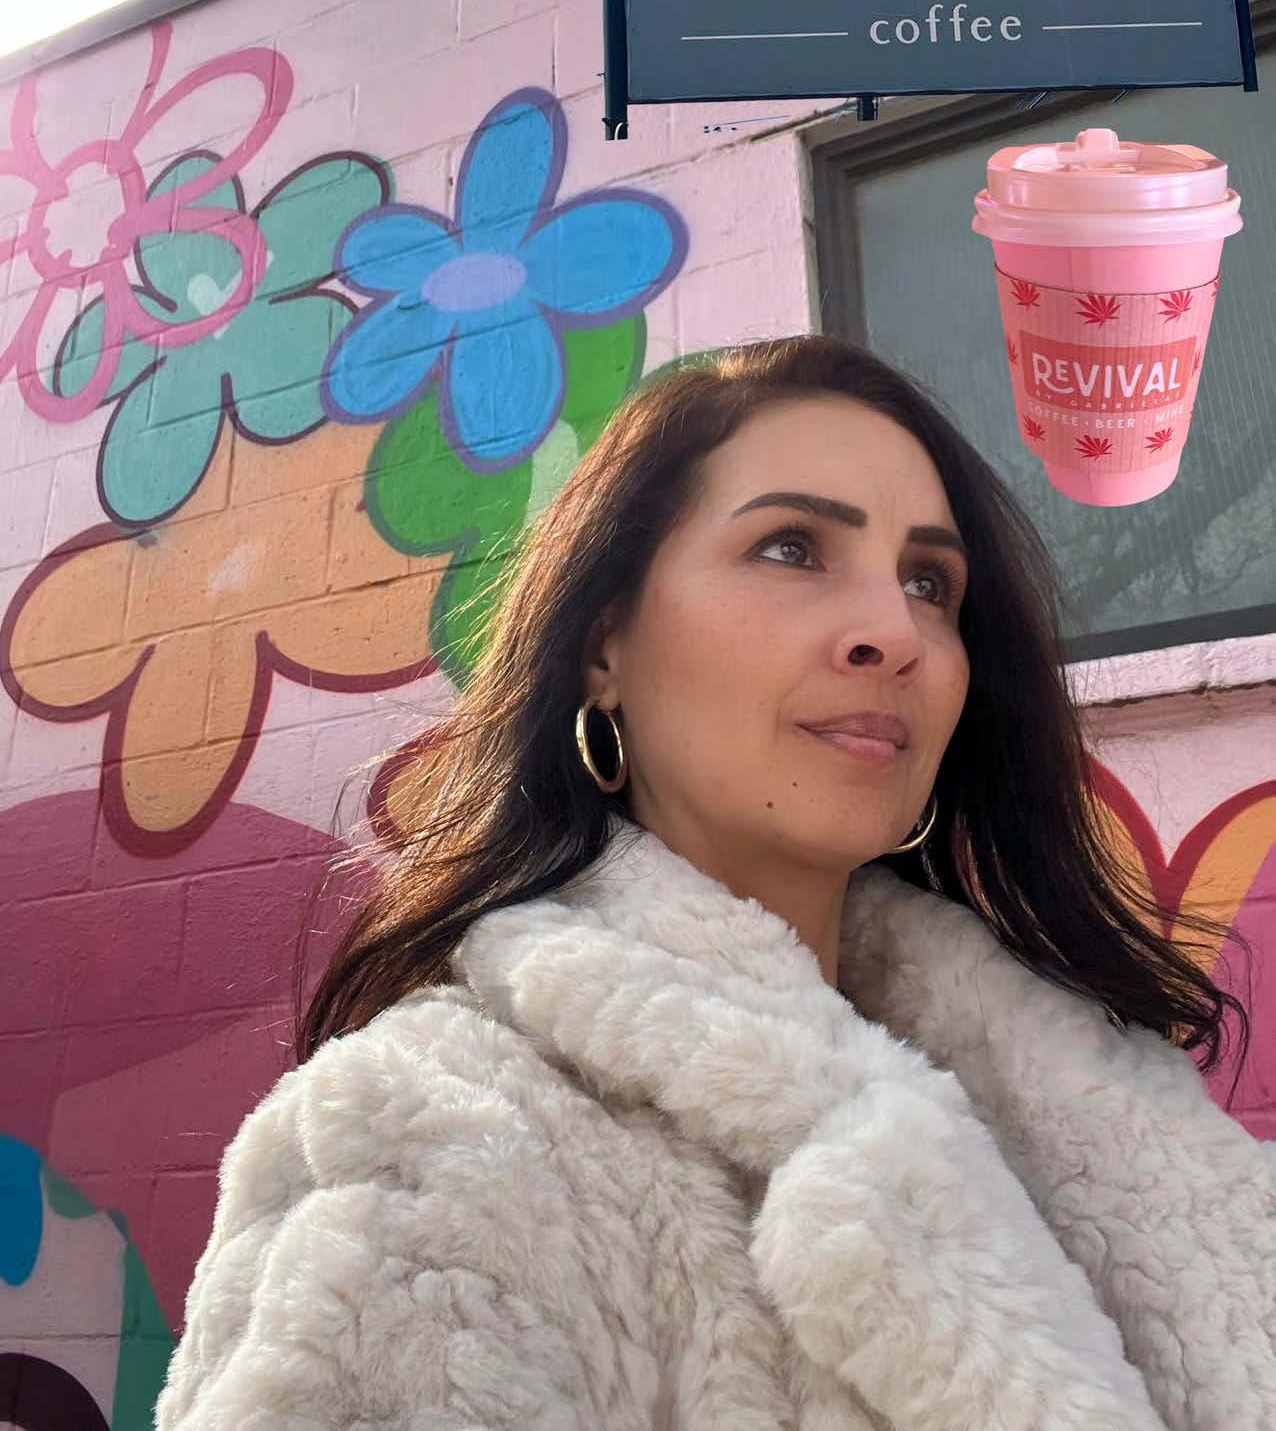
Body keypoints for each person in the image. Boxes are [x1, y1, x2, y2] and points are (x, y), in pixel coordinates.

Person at [155, 336, 1273, 1431]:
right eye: (791, 547)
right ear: (603, 646)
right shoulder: (438, 1149)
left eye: (929, 581)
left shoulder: (1094, 1099)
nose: (896, 631)